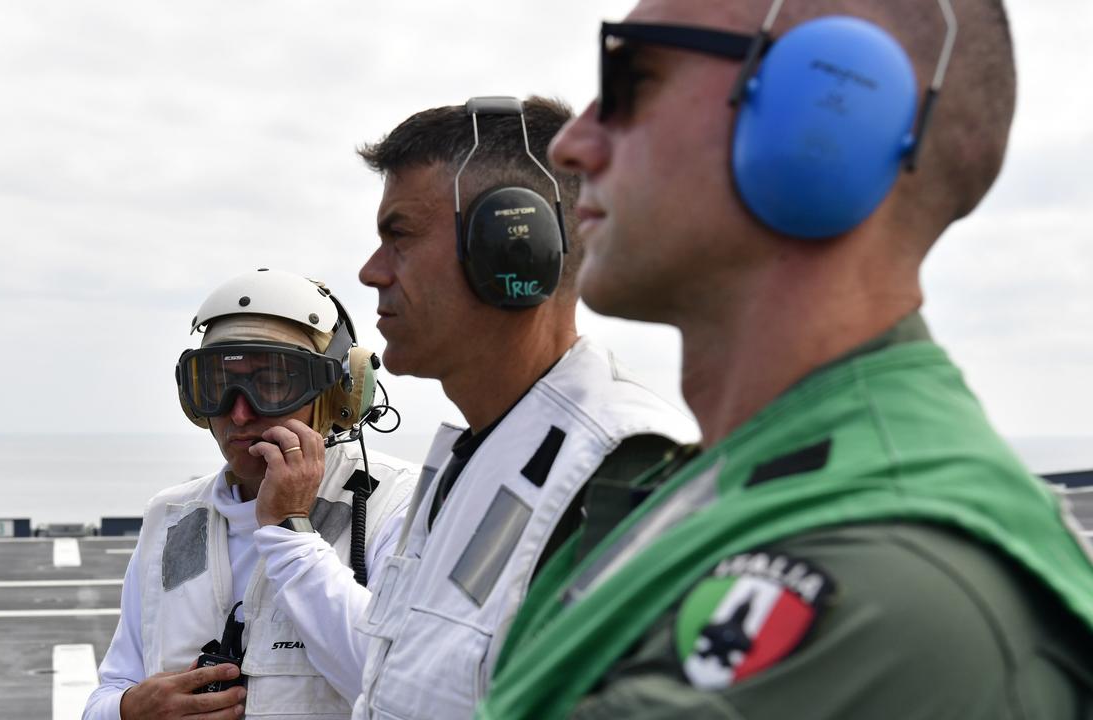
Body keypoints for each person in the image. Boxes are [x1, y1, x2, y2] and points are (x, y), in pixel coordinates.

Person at [480, 1, 1093, 718]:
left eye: (634, 78)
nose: (571, 145)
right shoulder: (730, 481)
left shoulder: (889, 596)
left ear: (833, 109)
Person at [349, 96, 698, 720]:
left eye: (398, 235)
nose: (371, 272)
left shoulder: (626, 481)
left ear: (512, 249)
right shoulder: (469, 462)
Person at [85, 269, 417, 720]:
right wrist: (128, 711)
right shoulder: (172, 518)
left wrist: (291, 532)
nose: (239, 413)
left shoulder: (397, 504)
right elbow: (111, 690)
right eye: (219, 383)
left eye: (274, 381)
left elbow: (403, 687)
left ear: (341, 393)